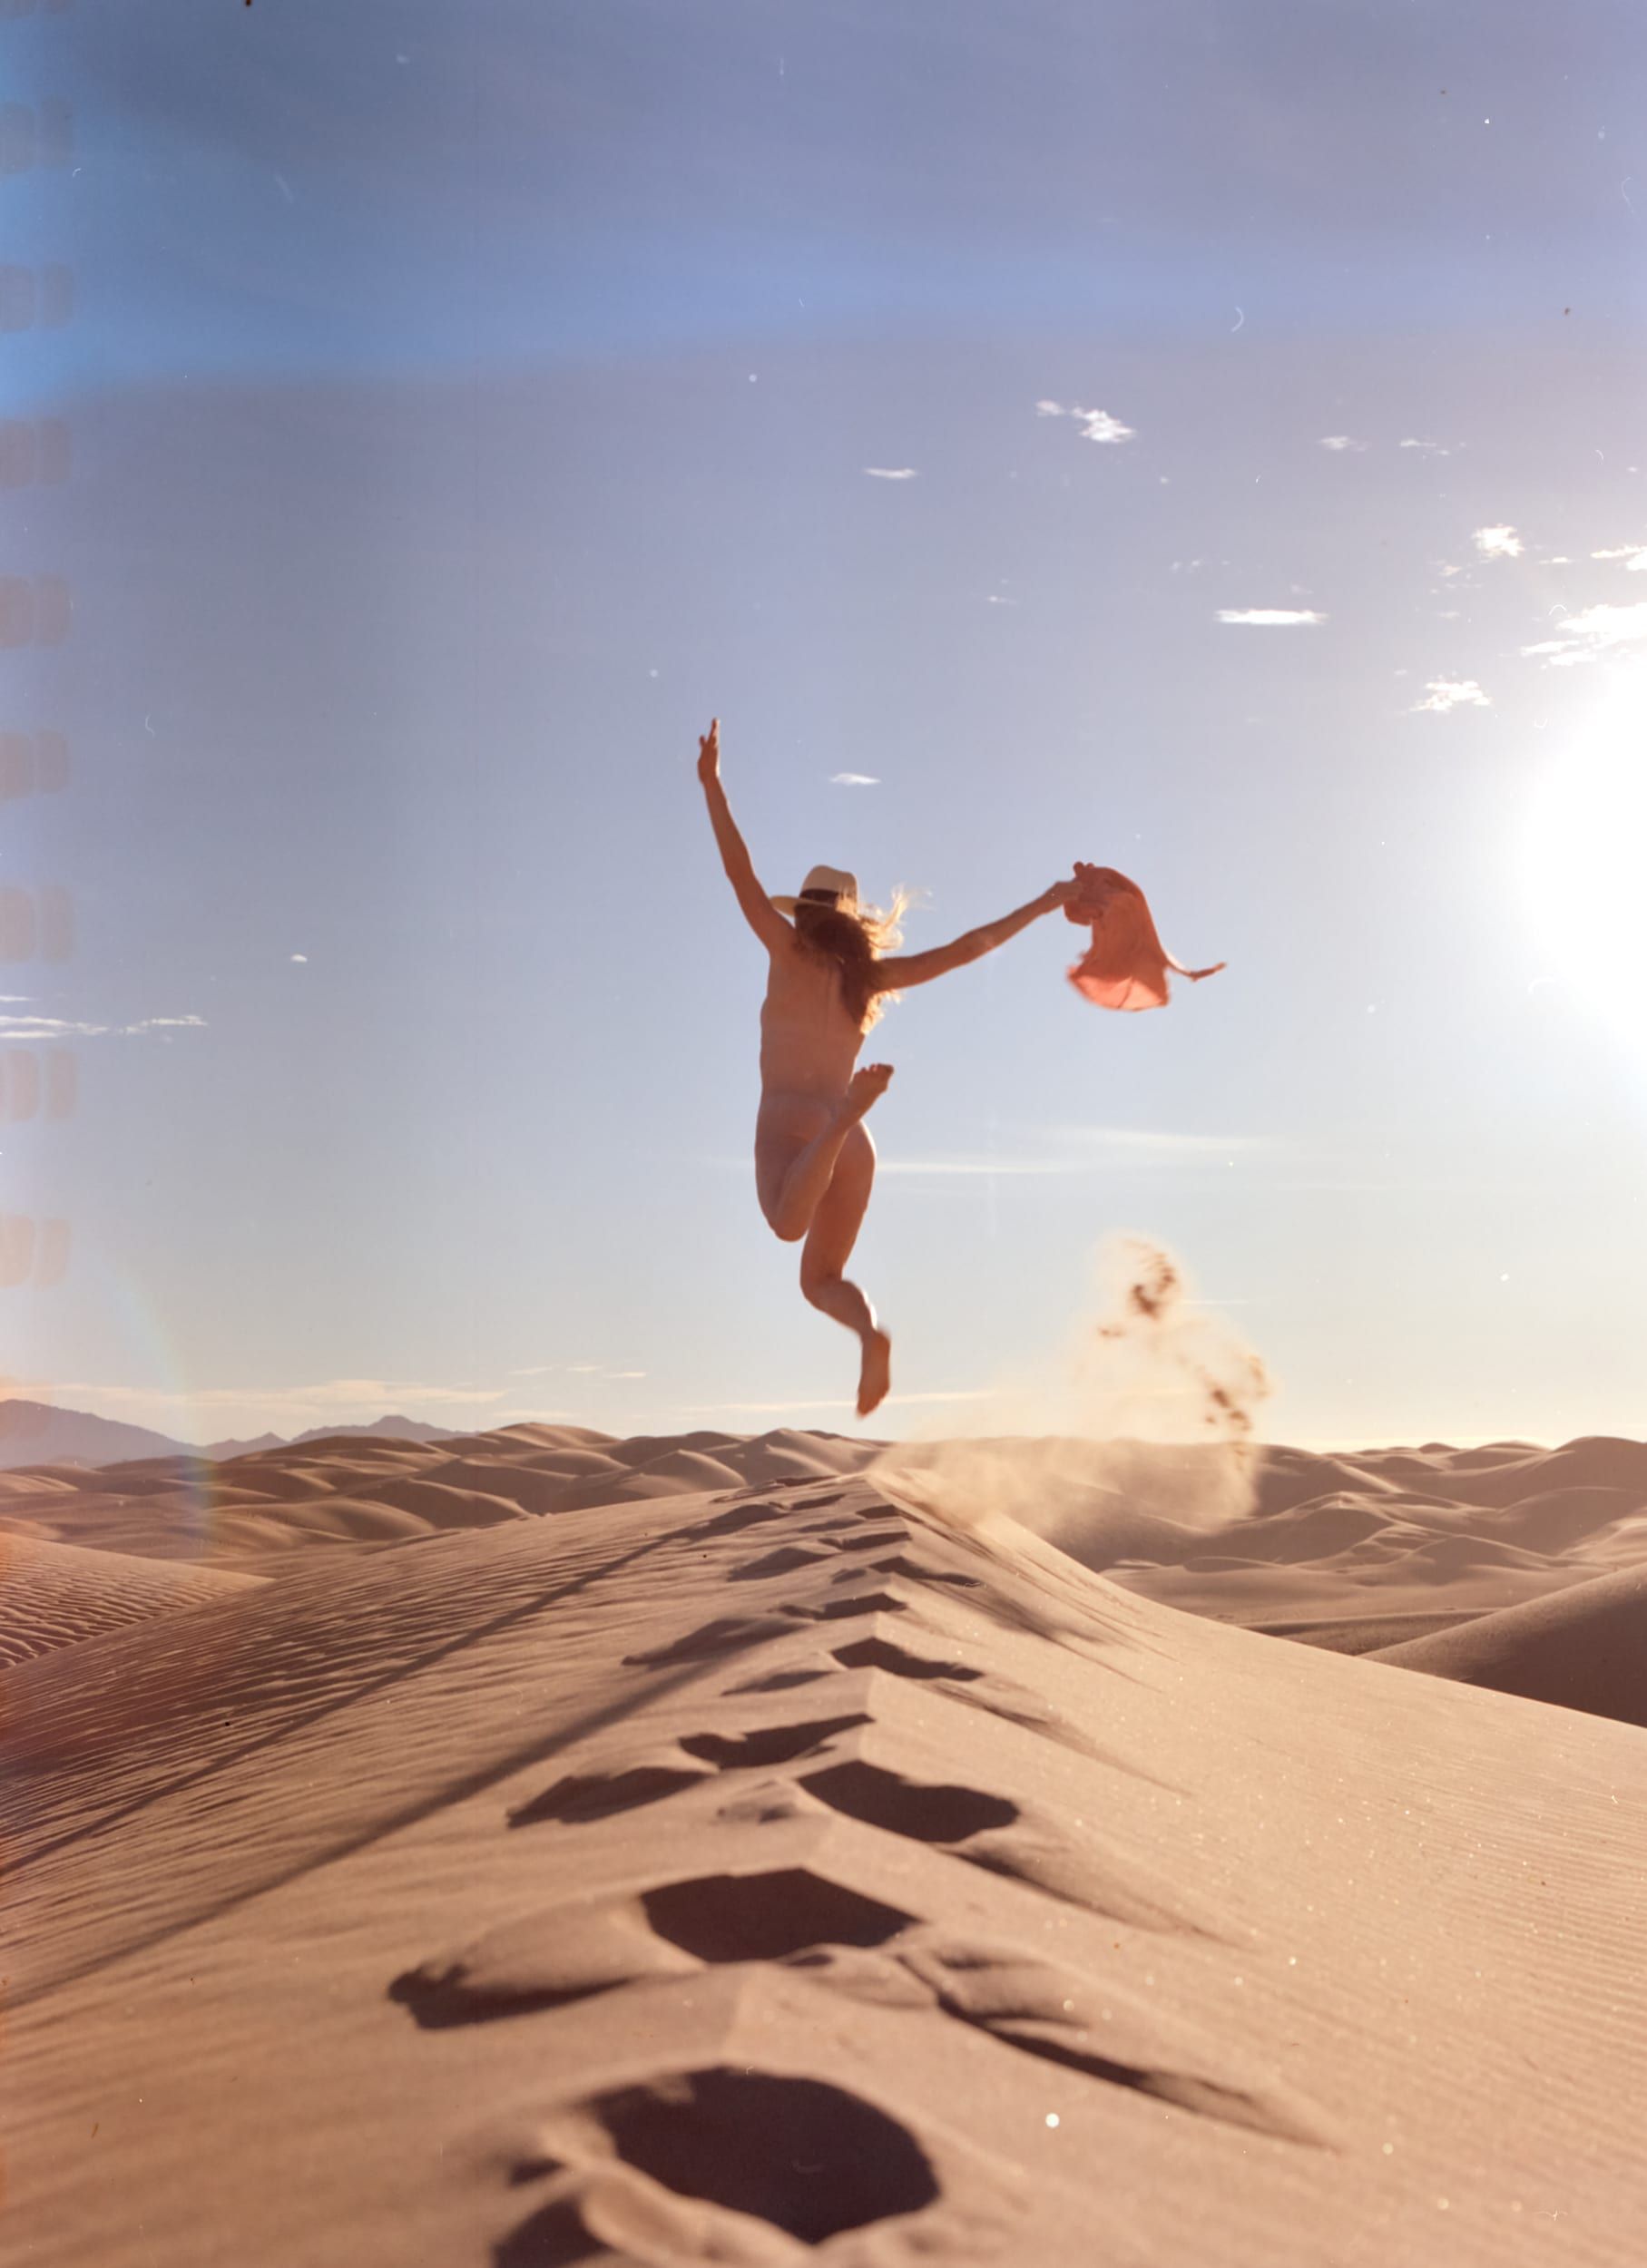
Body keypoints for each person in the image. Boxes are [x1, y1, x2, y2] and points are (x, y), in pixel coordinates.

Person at [697, 717, 1074, 1418]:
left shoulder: (783, 950)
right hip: (852, 1143)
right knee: (823, 1279)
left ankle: (842, 1126)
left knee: (786, 1229)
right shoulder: (867, 980)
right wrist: (1049, 901)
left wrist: (712, 784)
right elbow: (967, 948)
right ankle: (869, 1336)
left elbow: (737, 871)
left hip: (795, 1126)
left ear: (804, 913)